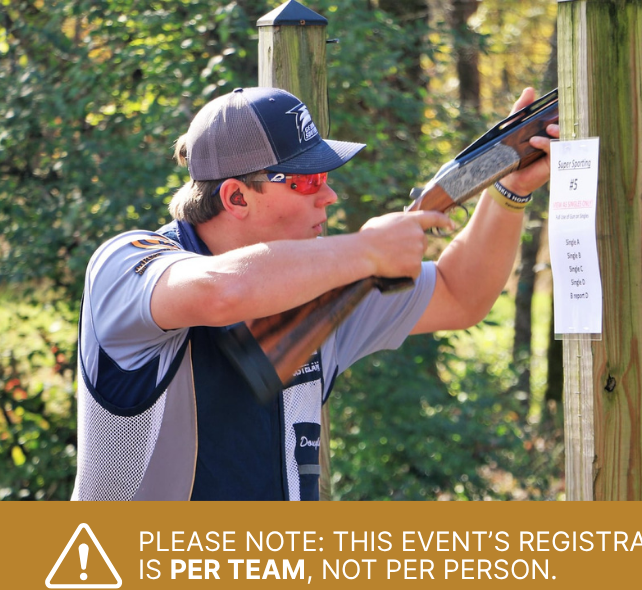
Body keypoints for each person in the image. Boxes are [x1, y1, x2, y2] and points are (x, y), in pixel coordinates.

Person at [72, 86, 558, 501]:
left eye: (326, 177)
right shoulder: (126, 264)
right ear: (235, 197)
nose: (329, 196)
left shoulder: (319, 287)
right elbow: (221, 291)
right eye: (308, 181)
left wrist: (508, 191)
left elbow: (460, 294)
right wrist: (367, 251)